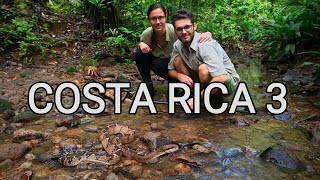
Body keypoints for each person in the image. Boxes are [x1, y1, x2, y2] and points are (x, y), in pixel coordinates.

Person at [134, 3, 212, 97]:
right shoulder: (147, 34)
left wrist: (207, 34)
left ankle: (189, 87)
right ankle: (148, 86)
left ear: (166, 17)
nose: (157, 22)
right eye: (154, 19)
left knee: (175, 60)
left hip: (179, 65)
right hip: (164, 66)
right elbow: (142, 50)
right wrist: (141, 44)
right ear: (149, 20)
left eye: (160, 17)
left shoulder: (174, 31)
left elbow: (191, 34)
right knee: (140, 53)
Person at [168, 9, 240, 110]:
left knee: (203, 69)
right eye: (179, 29)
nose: (184, 32)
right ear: (175, 31)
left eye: (187, 27)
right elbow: (170, 70)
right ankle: (193, 92)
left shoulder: (205, 45)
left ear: (194, 26)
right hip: (200, 79)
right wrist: (179, 76)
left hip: (227, 82)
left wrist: (196, 99)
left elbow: (222, 77)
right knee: (177, 60)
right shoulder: (177, 45)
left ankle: (211, 97)